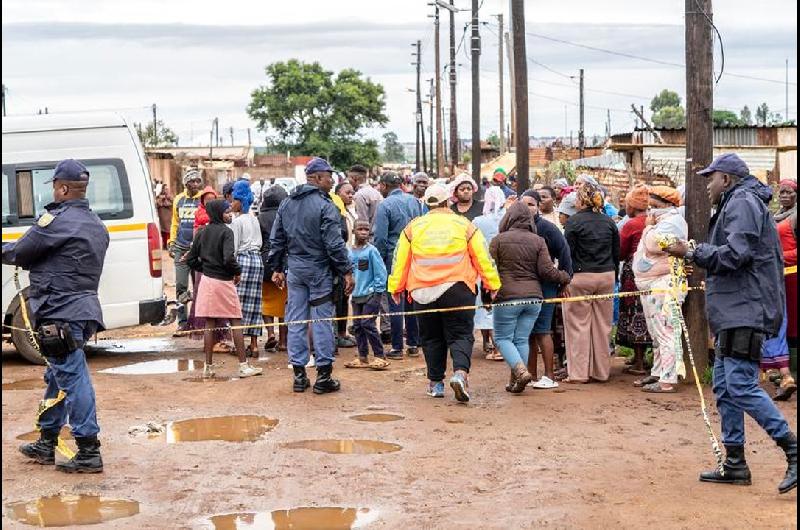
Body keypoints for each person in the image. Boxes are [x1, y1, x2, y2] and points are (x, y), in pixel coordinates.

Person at [665, 153, 796, 494]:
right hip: (735, 309)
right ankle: (735, 463)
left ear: (725, 179)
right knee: (724, 386)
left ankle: (793, 449)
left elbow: (736, 255)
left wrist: (693, 253)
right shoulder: (738, 202)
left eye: (710, 179)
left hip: (746, 308)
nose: (707, 186)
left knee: (739, 385)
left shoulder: (741, 203)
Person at [4, 159, 109, 473]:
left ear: (62, 188)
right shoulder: (95, 223)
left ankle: (89, 450)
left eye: (54, 186)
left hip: (59, 313)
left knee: (73, 377)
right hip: (84, 310)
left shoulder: (56, 221)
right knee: (58, 376)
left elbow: (20, 252)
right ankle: (47, 442)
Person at [388, 183, 501, 402]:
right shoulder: (464, 225)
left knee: (431, 337)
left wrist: (396, 287)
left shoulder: (412, 228)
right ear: (448, 201)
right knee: (460, 334)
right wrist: (492, 284)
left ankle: (436, 383)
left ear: (425, 203)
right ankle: (460, 374)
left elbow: (400, 261)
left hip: (422, 292)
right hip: (458, 289)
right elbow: (482, 257)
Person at [268, 157, 354, 394]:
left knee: (295, 320)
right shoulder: (326, 206)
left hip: (295, 271)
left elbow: (277, 239)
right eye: (329, 176)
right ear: (316, 178)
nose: (331, 180)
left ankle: (299, 376)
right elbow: (334, 243)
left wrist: (276, 268)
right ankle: (323, 376)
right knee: (321, 320)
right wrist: (346, 270)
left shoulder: (287, 203)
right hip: (318, 271)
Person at [490, 202, 571, 393]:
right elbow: (546, 270)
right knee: (521, 339)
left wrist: (487, 295)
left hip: (507, 297)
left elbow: (489, 270)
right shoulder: (538, 240)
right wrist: (565, 277)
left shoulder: (498, 240)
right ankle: (515, 381)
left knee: (502, 338)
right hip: (534, 298)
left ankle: (520, 371)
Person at [187, 199, 263, 379]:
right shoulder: (226, 232)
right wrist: (237, 272)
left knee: (209, 324)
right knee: (236, 320)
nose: (230, 214)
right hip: (223, 282)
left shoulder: (202, 232)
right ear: (218, 213)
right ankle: (243, 366)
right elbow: (229, 258)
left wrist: (204, 269)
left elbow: (191, 258)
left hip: (207, 282)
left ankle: (208, 367)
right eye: (227, 211)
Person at [562, 180, 620, 383]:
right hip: (606, 276)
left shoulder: (573, 222)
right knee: (603, 326)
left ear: (581, 200)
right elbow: (616, 252)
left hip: (580, 276)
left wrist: (564, 279)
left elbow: (567, 254)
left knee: (578, 325)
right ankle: (601, 372)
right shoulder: (609, 221)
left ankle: (578, 373)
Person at [632, 186, 687, 393]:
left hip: (665, 284)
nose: (650, 212)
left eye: (655, 207)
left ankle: (668, 380)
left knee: (666, 332)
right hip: (651, 285)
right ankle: (658, 371)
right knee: (656, 332)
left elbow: (654, 245)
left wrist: (648, 228)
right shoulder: (660, 221)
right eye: (649, 207)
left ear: (668, 205)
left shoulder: (673, 221)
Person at [520, 190, 573, 389]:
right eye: (523, 204)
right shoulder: (514, 227)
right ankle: (531, 375)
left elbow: (564, 251)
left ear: (538, 207)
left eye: (531, 204)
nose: (527, 208)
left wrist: (565, 280)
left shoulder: (547, 228)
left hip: (546, 285)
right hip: (524, 285)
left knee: (542, 330)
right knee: (528, 333)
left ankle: (549, 376)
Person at [374, 171, 422, 360]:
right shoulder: (414, 202)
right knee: (411, 301)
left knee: (395, 302)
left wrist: (379, 262)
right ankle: (413, 343)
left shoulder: (385, 205)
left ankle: (396, 347)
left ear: (385, 186)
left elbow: (380, 239)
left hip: (393, 258)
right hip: (413, 256)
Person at [616, 184, 652, 377]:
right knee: (648, 313)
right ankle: (643, 357)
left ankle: (639, 362)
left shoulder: (631, 224)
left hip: (634, 272)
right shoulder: (653, 220)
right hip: (652, 272)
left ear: (632, 206)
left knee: (634, 312)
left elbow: (621, 252)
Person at [344, 220, 390, 370]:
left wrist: (377, 293)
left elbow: (381, 273)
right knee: (357, 326)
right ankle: (362, 357)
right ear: (354, 231)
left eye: (366, 230)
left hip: (371, 294)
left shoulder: (372, 251)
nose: (363, 232)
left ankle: (379, 356)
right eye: (360, 229)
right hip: (356, 295)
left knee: (368, 324)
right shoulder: (350, 252)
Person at [763, 209, 796, 401]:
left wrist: (781, 257)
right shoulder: (773, 217)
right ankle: (784, 376)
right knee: (776, 330)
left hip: (767, 284)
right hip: (775, 282)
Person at [230, 180, 264, 356]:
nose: (231, 204)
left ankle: (240, 345)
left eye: (234, 200)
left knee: (239, 304)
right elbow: (260, 242)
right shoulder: (254, 219)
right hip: (257, 262)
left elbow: (234, 248)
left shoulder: (237, 222)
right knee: (255, 303)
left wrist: (232, 268)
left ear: (240, 201)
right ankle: (255, 345)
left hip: (243, 261)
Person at [169, 169, 203, 333]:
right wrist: (171, 242)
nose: (196, 184)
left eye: (198, 181)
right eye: (193, 181)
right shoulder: (178, 200)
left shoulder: (202, 199)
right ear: (186, 183)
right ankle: (182, 322)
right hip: (181, 248)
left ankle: (198, 322)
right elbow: (175, 223)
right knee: (181, 286)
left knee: (199, 287)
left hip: (197, 250)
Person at [258, 184, 289, 353]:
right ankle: (284, 341)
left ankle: (270, 333)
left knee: (266, 301)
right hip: (282, 263)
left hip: (264, 264)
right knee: (284, 304)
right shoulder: (286, 215)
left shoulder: (259, 217)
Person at [155, 183, 173, 250]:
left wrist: (167, 198)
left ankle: (169, 245)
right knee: (163, 232)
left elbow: (171, 203)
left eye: (167, 188)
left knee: (169, 231)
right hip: (162, 217)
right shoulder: (159, 197)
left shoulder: (170, 196)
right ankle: (164, 245)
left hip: (169, 217)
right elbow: (157, 204)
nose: (166, 190)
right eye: (165, 188)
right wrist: (161, 199)